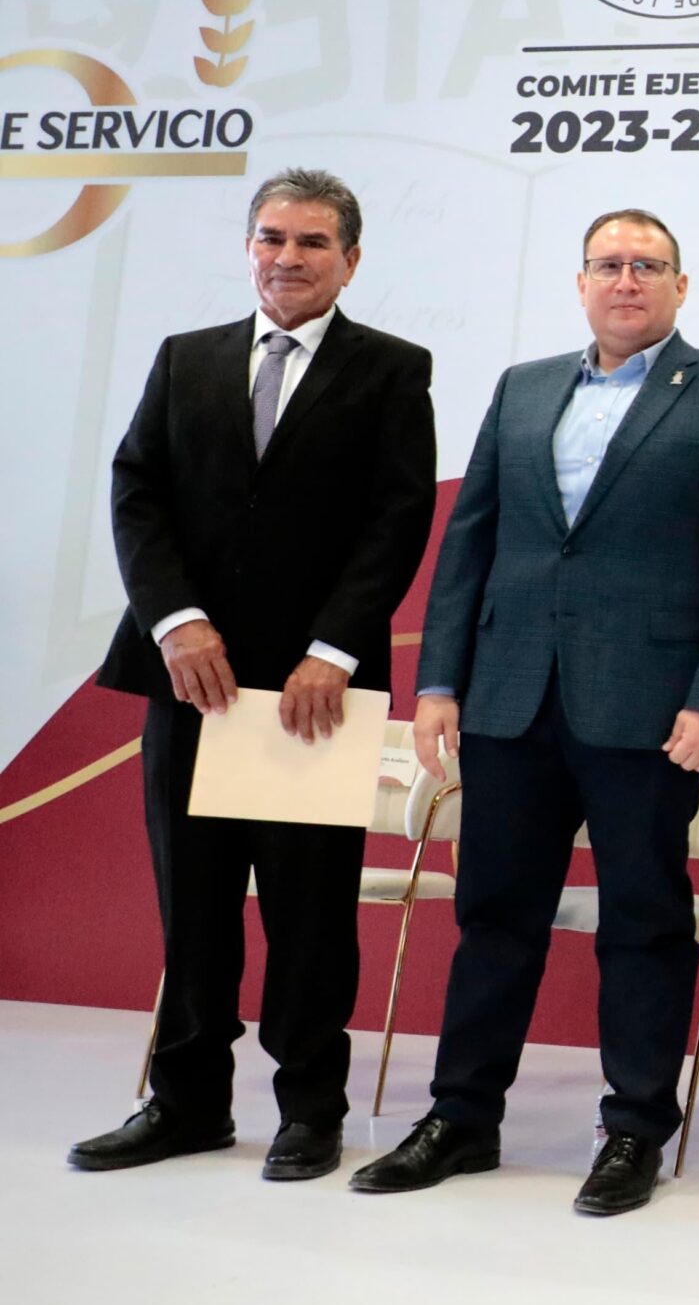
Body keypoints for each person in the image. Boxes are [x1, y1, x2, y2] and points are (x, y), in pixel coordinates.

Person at [348, 208, 699, 1216]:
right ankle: (462, 1117)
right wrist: (439, 682)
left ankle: (633, 1128)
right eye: (608, 264)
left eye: (648, 265)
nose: (626, 280)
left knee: (643, 919)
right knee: (493, 914)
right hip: (509, 697)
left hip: (650, 707)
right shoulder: (524, 387)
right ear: (581, 282)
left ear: (680, 285)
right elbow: (471, 541)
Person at [74, 169, 436, 1183]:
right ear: (247, 249)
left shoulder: (391, 369)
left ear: (350, 261)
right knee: (193, 905)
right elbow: (136, 492)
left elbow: (397, 519)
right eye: (271, 237)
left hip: (309, 696)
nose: (288, 257)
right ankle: (185, 1102)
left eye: (312, 242)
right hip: (192, 682)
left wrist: (334, 650)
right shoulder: (184, 357)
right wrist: (176, 621)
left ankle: (310, 1109)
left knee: (308, 914)